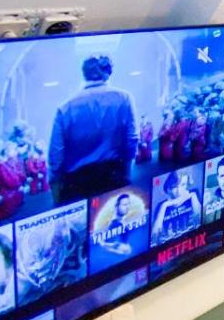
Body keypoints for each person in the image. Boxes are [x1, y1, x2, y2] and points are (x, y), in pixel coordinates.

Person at [48, 55, 137, 204]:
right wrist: (127, 173)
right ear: (108, 73)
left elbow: (56, 156)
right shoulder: (124, 98)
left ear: (84, 73)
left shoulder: (65, 108)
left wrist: (56, 193)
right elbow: (132, 139)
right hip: (114, 176)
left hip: (77, 184)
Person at [151, 170, 201, 245]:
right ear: (168, 189)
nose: (179, 191)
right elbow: (154, 236)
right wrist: (164, 206)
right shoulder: (161, 206)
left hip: (193, 240)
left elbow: (200, 219)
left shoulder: (194, 194)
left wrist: (193, 196)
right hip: (169, 246)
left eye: (183, 185)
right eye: (175, 187)